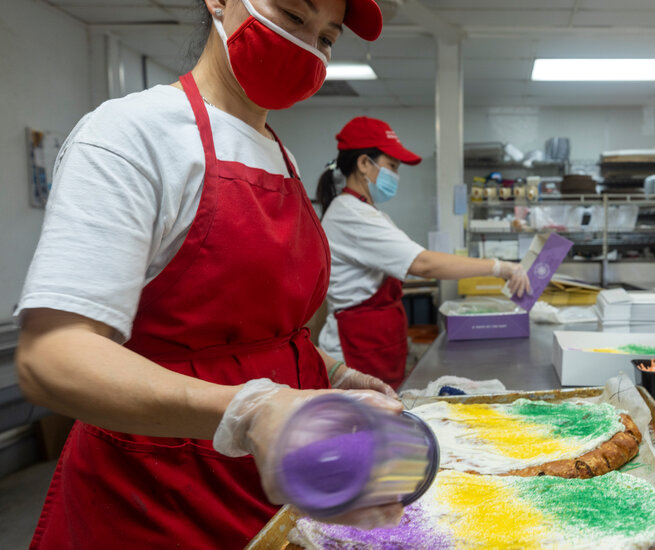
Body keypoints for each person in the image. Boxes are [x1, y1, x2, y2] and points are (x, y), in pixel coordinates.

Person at [14, 0, 406, 548]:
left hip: (270, 481)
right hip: (156, 491)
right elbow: (52, 356)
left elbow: (256, 329)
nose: (306, 46)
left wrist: (328, 370)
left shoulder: (282, 156)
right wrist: (250, 410)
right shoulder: (132, 134)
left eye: (326, 38)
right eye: (294, 16)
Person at [315, 116, 531, 389]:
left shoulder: (365, 211)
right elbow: (424, 264)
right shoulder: (350, 213)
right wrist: (500, 267)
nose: (396, 175)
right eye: (391, 166)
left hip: (373, 342)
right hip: (354, 348)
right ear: (363, 164)